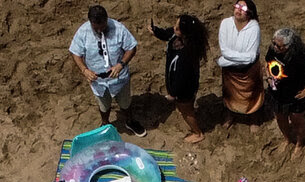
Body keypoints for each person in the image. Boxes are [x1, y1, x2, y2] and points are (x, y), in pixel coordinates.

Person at [69, 5, 146, 136]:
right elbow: (75, 52)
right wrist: (84, 70)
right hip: (98, 80)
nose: (100, 29)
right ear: (90, 22)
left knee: (125, 102)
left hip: (119, 77)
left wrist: (121, 64)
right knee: (103, 105)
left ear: (106, 19)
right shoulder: (83, 32)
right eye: (96, 27)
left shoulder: (119, 29)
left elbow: (131, 48)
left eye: (102, 26)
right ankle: (105, 123)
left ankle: (129, 121)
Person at [149, 14, 209, 144]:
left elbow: (180, 80)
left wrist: (173, 94)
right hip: (188, 83)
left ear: (185, 34)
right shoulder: (182, 37)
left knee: (187, 112)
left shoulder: (185, 57)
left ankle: (197, 133)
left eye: (177, 27)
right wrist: (156, 31)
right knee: (187, 106)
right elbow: (168, 33)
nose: (174, 28)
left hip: (184, 89)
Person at [263, 27, 305, 157]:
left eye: (279, 46)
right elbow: (267, 62)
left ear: (288, 46)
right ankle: (287, 139)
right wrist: (268, 77)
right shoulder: (273, 50)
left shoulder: (298, 58)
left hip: (295, 96)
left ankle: (299, 143)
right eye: (274, 43)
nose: (275, 47)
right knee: (280, 118)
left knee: (297, 121)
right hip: (277, 93)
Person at [219, 1, 264, 130]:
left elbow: (250, 56)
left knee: (252, 94)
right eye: (237, 7)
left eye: (243, 8)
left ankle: (253, 118)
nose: (238, 10)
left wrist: (231, 57)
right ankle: (230, 114)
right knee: (229, 94)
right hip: (230, 70)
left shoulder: (254, 27)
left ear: (250, 12)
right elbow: (224, 50)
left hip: (248, 70)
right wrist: (238, 58)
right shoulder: (226, 23)